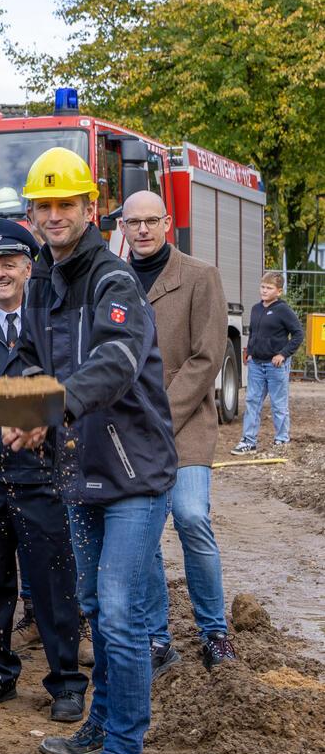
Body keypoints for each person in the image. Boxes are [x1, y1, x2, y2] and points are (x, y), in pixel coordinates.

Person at [7, 147, 177, 754]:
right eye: (44, 206)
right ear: (33, 212)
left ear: (88, 208)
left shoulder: (114, 281)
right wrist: (20, 408)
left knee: (121, 614)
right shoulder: (42, 284)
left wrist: (50, 408)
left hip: (135, 473)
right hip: (80, 471)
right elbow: (26, 358)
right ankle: (100, 723)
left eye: (66, 204)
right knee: (97, 608)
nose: (54, 215)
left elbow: (115, 362)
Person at [0, 218, 86, 719]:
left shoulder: (53, 327)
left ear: (29, 266)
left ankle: (67, 682)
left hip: (42, 473)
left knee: (53, 583)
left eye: (9, 262)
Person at [121, 191, 240, 673]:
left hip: (184, 425)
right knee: (143, 536)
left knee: (191, 517)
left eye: (152, 221)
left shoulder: (199, 276)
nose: (144, 230)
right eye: (134, 223)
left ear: (168, 223)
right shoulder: (112, 278)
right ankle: (156, 637)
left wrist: (159, 416)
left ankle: (214, 633)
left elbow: (207, 357)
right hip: (126, 430)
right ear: (122, 227)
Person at [232, 271, 302, 455]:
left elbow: (298, 334)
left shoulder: (283, 310)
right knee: (252, 402)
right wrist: (249, 352)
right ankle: (248, 441)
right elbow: (254, 333)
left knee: (279, 404)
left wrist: (283, 354)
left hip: (275, 366)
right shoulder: (256, 309)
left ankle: (281, 440)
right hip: (256, 364)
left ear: (278, 291)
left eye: (269, 288)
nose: (264, 290)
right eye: (262, 287)